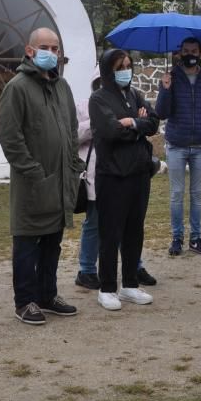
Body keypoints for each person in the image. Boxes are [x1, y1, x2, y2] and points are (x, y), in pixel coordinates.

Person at [0, 27, 84, 325]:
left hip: (61, 180)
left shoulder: (62, 87)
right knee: (26, 244)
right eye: (44, 47)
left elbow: (71, 129)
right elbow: (10, 138)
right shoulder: (18, 87)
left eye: (55, 47)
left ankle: (48, 295)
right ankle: (25, 301)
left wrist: (73, 163)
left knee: (52, 242)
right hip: (33, 183)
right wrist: (33, 171)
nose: (51, 52)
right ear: (30, 50)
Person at [90, 49, 160, 311]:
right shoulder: (98, 99)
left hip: (139, 173)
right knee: (111, 233)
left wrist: (133, 123)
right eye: (120, 66)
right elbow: (110, 131)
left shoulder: (134, 94)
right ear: (109, 70)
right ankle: (106, 287)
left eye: (129, 65)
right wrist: (136, 125)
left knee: (134, 230)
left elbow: (153, 123)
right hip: (113, 176)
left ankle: (130, 284)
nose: (125, 70)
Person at [75, 68, 156, 290]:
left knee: (128, 223)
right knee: (95, 223)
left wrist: (126, 123)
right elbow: (76, 134)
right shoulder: (86, 104)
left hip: (127, 168)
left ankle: (135, 267)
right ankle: (87, 269)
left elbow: (148, 122)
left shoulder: (130, 100)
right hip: (97, 171)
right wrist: (102, 123)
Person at [154, 37, 201, 256]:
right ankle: (177, 238)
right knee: (176, 194)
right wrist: (165, 89)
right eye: (186, 50)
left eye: (194, 50)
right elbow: (162, 112)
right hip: (176, 145)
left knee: (197, 194)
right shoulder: (171, 77)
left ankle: (195, 238)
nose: (190, 54)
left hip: (200, 145)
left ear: (200, 53)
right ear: (179, 52)